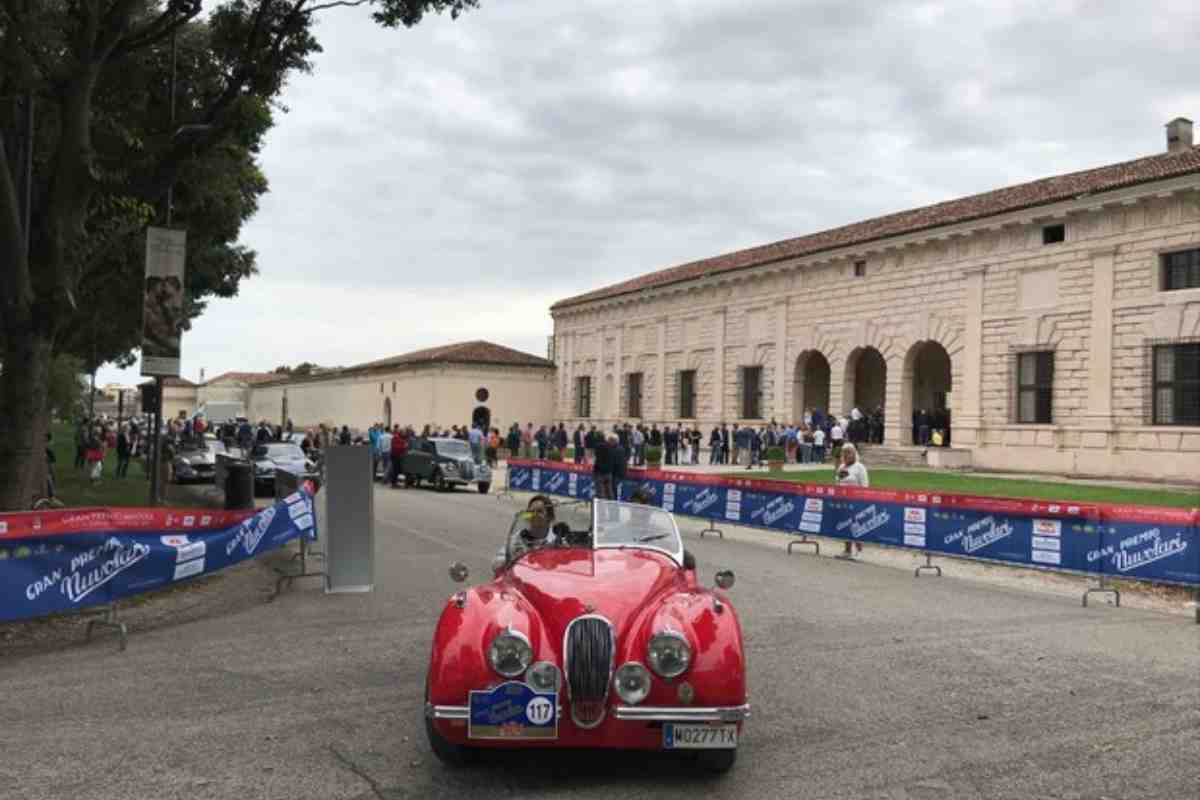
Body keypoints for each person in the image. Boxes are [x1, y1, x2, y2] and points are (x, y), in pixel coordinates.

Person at [506, 495, 566, 560]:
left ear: (549, 517)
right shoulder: (518, 537)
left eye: (539, 511)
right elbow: (497, 563)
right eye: (531, 511)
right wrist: (515, 557)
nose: (535, 515)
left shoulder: (559, 539)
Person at [836, 443, 870, 557]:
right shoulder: (841, 467)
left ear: (854, 454)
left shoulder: (860, 467)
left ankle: (859, 550)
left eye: (848, 452)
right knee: (845, 525)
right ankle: (847, 550)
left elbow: (865, 486)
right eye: (844, 453)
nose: (846, 455)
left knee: (856, 526)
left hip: (856, 502)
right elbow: (837, 483)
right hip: (843, 501)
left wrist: (862, 501)